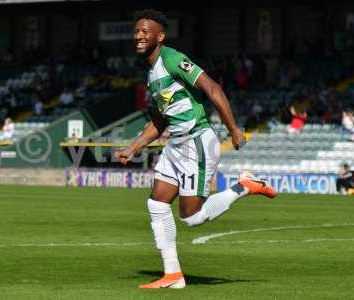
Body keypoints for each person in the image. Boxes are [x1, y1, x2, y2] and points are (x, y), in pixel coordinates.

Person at [115, 10, 276, 289]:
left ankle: (245, 186)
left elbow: (212, 88)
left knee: (191, 217)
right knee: (156, 204)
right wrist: (133, 147)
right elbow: (161, 119)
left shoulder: (172, 59)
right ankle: (173, 275)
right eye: (137, 31)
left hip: (196, 141)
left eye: (145, 31)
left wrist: (234, 129)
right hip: (176, 145)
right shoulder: (152, 71)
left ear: (160, 37)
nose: (139, 35)